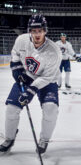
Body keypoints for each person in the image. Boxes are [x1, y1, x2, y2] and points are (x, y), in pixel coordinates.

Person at [0, 14, 62, 154]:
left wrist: (31, 90)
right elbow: (15, 54)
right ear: (30, 31)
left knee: (51, 109)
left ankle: (44, 139)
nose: (37, 34)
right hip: (27, 77)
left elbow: (47, 77)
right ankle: (9, 138)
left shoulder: (54, 51)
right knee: (11, 108)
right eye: (34, 31)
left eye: (40, 30)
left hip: (48, 81)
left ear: (45, 31)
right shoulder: (21, 40)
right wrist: (17, 70)